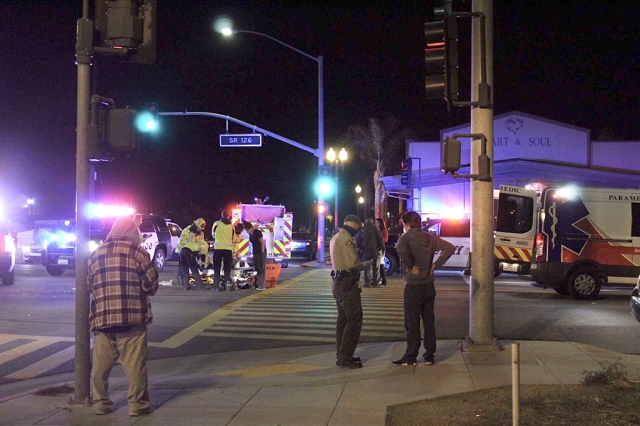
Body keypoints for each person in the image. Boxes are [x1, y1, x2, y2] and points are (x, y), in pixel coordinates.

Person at [87, 215, 159, 417]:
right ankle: (138, 405)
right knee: (135, 366)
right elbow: (151, 285)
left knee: (100, 368)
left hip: (103, 319)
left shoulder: (96, 253)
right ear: (132, 231)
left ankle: (101, 403)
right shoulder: (137, 252)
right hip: (132, 319)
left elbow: (89, 285)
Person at [393, 211, 455, 366]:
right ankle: (429, 355)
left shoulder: (405, 238)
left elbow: (400, 249)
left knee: (412, 322)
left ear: (407, 224)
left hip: (413, 286)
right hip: (428, 285)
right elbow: (449, 247)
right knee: (428, 321)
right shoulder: (430, 238)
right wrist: (436, 264)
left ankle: (411, 356)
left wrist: (410, 266)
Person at [330, 214, 372, 369]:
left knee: (343, 320)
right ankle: (345, 356)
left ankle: (341, 354)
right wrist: (367, 264)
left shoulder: (336, 237)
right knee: (354, 319)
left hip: (339, 282)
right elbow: (352, 263)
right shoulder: (346, 238)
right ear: (353, 225)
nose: (359, 231)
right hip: (347, 283)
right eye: (358, 228)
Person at [176, 218, 208, 290]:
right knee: (194, 269)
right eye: (199, 228)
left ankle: (186, 286)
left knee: (185, 270)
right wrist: (203, 263)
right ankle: (200, 286)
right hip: (186, 252)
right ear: (195, 225)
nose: (200, 230)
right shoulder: (186, 231)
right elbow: (182, 242)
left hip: (183, 252)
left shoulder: (200, 234)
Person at [357, 217, 384, 287]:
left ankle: (367, 282)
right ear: (372, 222)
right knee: (376, 266)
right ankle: (376, 282)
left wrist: (361, 248)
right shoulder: (375, 229)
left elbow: (358, 240)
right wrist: (381, 248)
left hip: (366, 250)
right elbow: (380, 239)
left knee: (366, 266)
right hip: (374, 250)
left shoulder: (362, 229)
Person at [212, 209, 234, 291]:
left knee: (217, 267)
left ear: (222, 215)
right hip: (228, 249)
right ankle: (227, 285)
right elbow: (233, 237)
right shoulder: (231, 226)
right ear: (228, 216)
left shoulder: (216, 224)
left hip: (218, 248)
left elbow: (213, 235)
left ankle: (216, 287)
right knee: (227, 268)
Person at [244, 221, 267, 291]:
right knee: (257, 269)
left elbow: (262, 242)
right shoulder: (251, 234)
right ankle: (257, 285)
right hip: (255, 253)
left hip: (260, 252)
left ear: (251, 228)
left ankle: (262, 285)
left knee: (261, 268)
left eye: (247, 230)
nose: (247, 231)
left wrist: (262, 252)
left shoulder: (257, 232)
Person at [375, 218, 389, 286]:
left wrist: (380, 236)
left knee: (381, 263)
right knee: (378, 264)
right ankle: (380, 279)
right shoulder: (376, 230)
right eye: (376, 222)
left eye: (377, 222)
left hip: (381, 248)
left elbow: (386, 239)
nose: (376, 224)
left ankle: (384, 280)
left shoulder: (384, 230)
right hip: (377, 248)